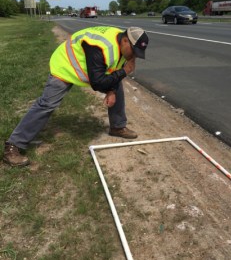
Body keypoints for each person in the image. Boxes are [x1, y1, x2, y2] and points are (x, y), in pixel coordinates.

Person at [3, 26, 149, 167]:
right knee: (47, 104)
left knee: (118, 89)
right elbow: (97, 83)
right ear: (125, 41)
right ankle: (12, 146)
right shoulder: (100, 47)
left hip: (89, 69)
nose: (134, 56)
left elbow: (113, 70)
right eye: (134, 51)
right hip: (65, 66)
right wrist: (123, 73)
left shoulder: (123, 45)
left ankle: (117, 127)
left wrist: (112, 90)